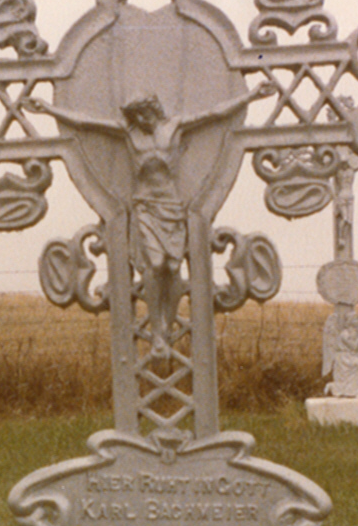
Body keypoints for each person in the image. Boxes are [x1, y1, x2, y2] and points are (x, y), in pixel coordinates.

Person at [23, 81, 274, 357]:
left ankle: (167, 325)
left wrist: (251, 95)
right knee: (155, 265)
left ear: (153, 109)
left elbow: (216, 113)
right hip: (145, 206)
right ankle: (156, 330)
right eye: (135, 116)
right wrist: (49, 109)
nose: (140, 120)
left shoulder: (175, 126)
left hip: (171, 205)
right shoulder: (129, 132)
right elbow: (86, 122)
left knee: (172, 267)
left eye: (143, 114)